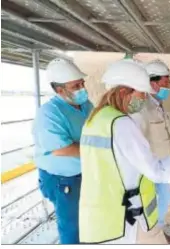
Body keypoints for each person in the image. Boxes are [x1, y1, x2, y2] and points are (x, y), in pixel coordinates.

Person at [78, 59, 170, 244]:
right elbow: (158, 171)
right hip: (127, 215)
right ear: (123, 92)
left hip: (100, 213)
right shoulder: (121, 123)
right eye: (141, 93)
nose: (144, 98)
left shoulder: (95, 119)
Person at [32, 58, 93, 244]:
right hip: (62, 179)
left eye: (82, 83)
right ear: (59, 89)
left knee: (86, 220)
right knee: (71, 226)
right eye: (76, 85)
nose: (82, 88)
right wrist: (98, 149)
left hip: (83, 173)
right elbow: (62, 149)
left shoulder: (86, 105)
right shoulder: (49, 113)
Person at [130, 59, 170, 244]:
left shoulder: (157, 105)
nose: (169, 85)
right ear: (153, 83)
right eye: (166, 82)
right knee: (155, 204)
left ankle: (157, 233)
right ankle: (152, 237)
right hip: (150, 170)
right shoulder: (141, 108)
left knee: (163, 200)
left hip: (161, 168)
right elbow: (136, 143)